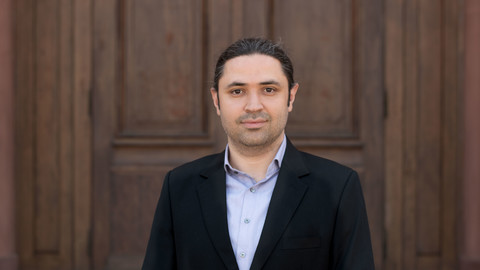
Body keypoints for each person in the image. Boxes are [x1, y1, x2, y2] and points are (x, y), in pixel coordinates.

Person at [142, 38, 375, 270]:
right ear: (216, 100)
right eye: (237, 91)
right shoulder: (179, 186)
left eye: (269, 90)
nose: (253, 106)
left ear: (291, 97)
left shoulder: (338, 187)